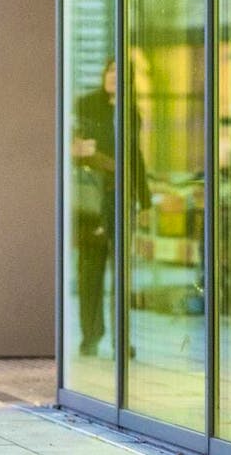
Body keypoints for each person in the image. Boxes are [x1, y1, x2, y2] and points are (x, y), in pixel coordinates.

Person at [71, 59, 149, 357]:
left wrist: (144, 199)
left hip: (119, 198)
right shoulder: (86, 104)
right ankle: (90, 336)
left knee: (121, 272)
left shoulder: (131, 111)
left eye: (120, 72)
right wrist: (89, 154)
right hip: (92, 198)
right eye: (110, 70)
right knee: (90, 270)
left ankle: (121, 340)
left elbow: (136, 156)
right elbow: (73, 146)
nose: (114, 76)